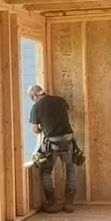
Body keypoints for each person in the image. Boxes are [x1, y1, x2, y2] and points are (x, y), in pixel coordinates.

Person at [28, 83, 77, 213]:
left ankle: (52, 202)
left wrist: (41, 129)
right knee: (70, 170)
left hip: (52, 143)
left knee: (46, 171)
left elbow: (34, 129)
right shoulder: (60, 100)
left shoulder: (36, 107)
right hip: (68, 140)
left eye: (31, 97)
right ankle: (69, 203)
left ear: (34, 96)